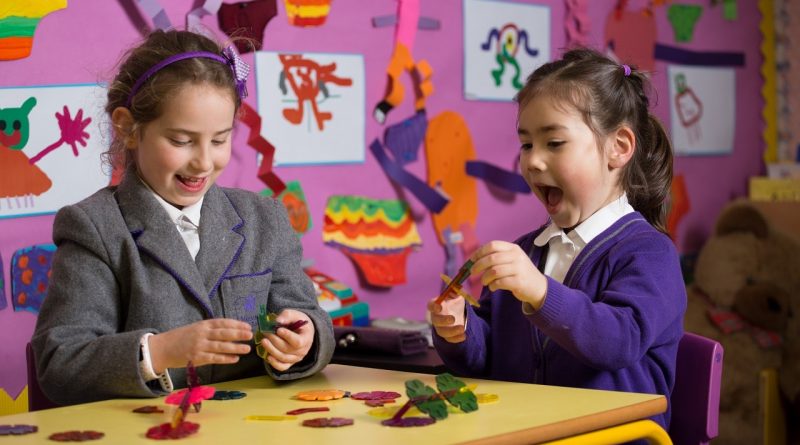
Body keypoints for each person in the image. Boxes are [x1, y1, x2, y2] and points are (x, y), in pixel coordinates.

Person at [31, 29, 335, 405]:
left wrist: (304, 341)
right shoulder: (94, 228)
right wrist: (159, 351)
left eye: (220, 139)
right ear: (127, 127)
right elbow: (60, 364)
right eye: (181, 141)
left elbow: (309, 316)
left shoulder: (265, 217)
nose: (204, 162)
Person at [429, 48, 686, 430]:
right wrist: (461, 330)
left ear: (619, 148)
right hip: (525, 433)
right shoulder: (527, 252)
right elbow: (487, 357)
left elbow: (618, 341)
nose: (532, 161)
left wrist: (541, 292)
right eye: (526, 144)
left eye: (554, 143)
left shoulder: (649, 253)